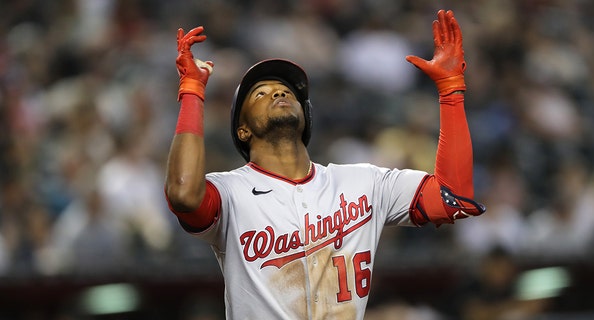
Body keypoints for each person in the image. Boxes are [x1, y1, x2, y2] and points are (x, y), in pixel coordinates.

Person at [164, 9, 485, 320]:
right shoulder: (229, 191)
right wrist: (193, 91)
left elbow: (452, 196)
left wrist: (450, 91)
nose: (278, 93)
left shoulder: (364, 182)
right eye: (261, 94)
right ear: (242, 129)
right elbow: (182, 193)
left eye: (285, 91)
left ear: (307, 117)